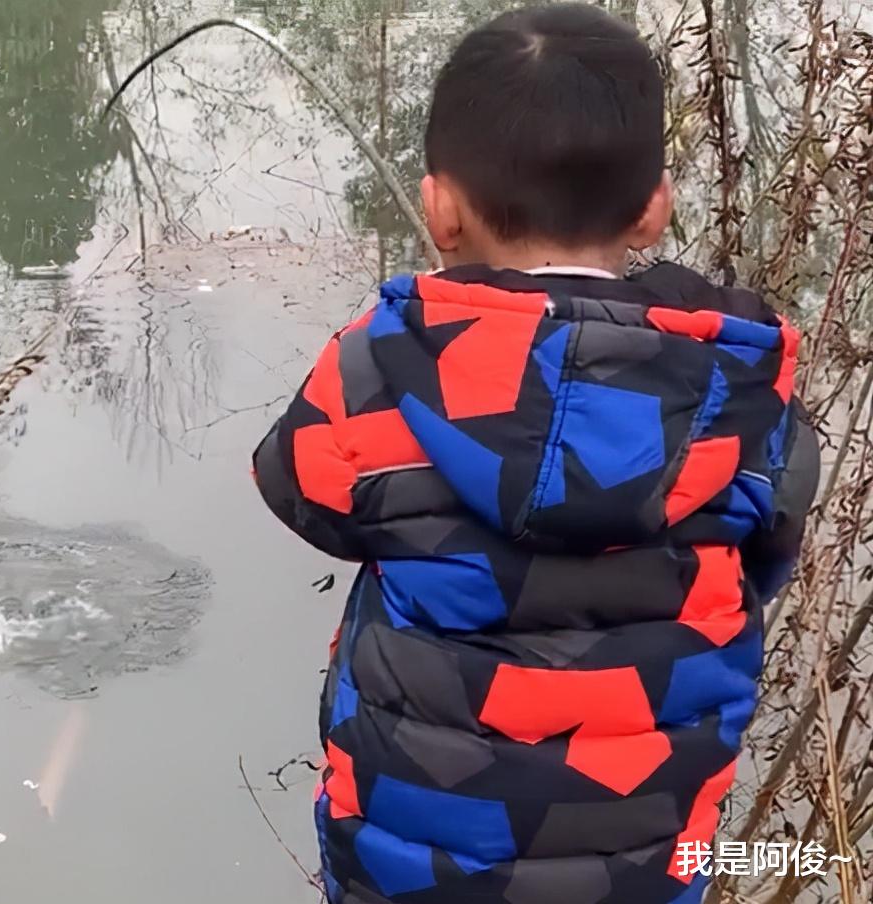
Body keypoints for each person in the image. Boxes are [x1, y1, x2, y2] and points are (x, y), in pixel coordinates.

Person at [251, 4, 819, 903]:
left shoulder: (377, 365)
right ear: (651, 211)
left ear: (439, 210)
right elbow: (772, 546)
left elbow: (295, 490)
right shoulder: (744, 395)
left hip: (407, 877)